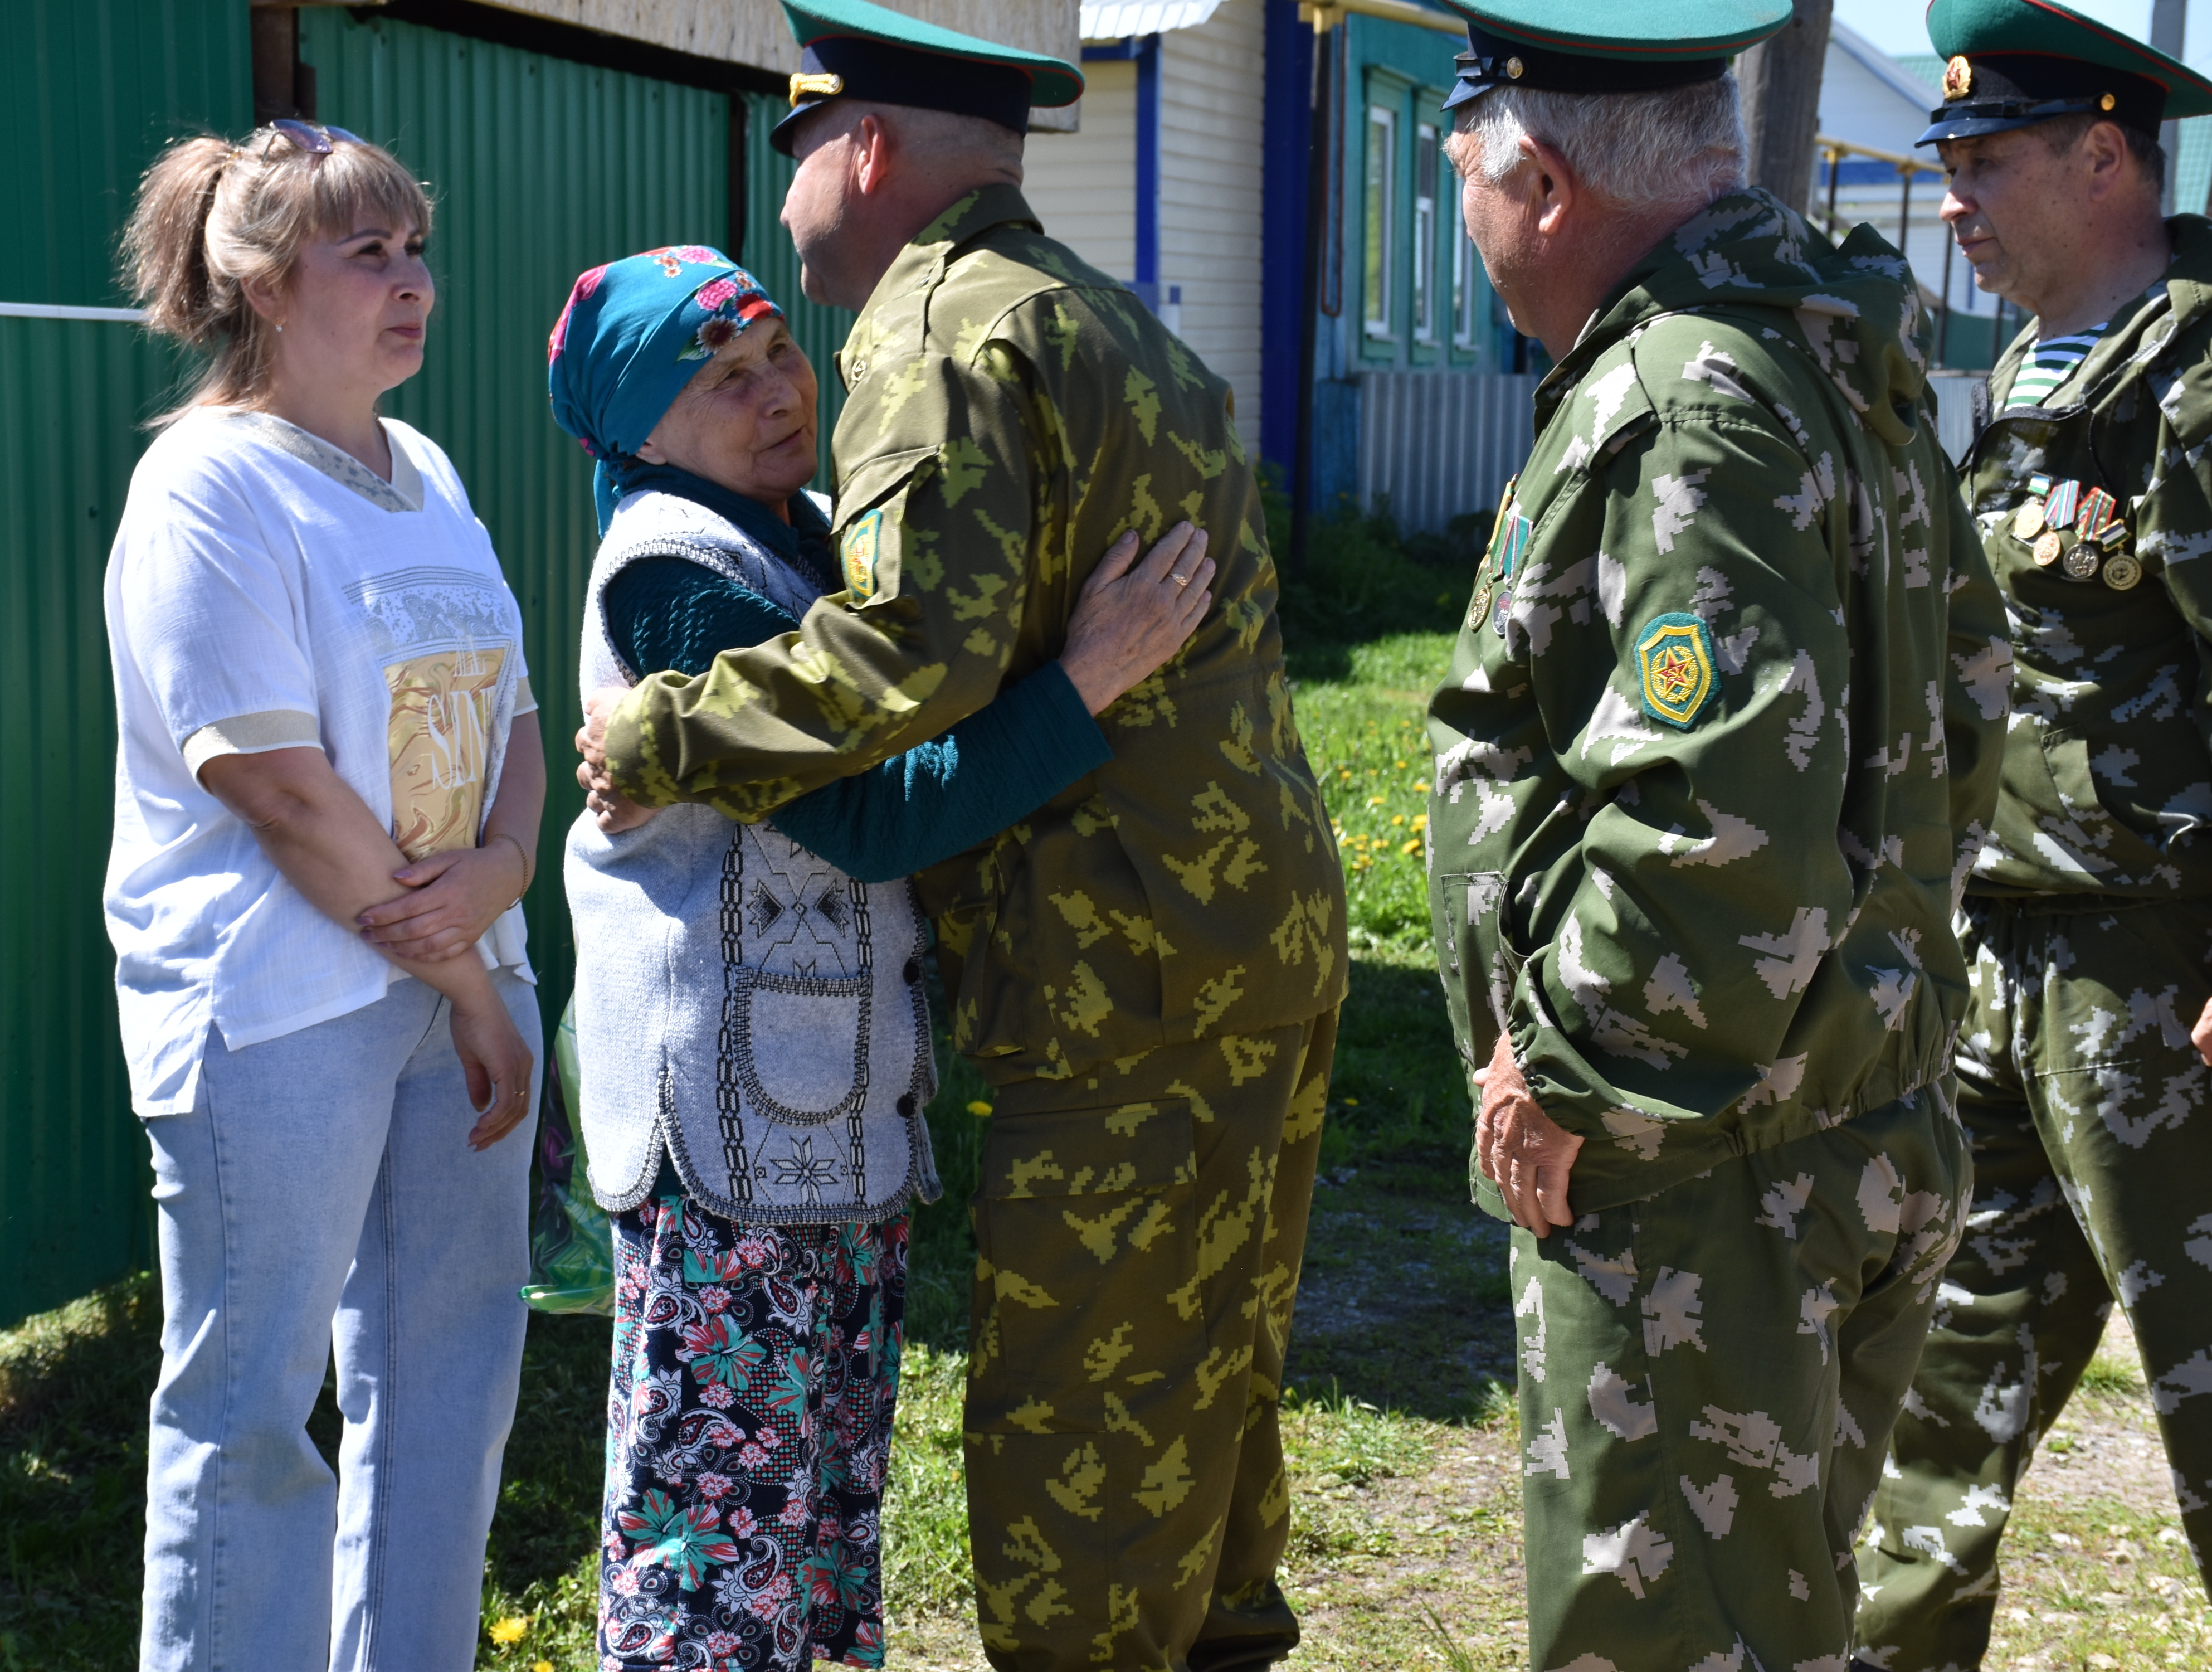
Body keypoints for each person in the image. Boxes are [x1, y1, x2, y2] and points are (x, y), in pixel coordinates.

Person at [573, 4, 1348, 1665]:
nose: (787, 219)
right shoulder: (1109, 322)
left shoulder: (946, 336)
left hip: (1120, 975)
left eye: (796, 161)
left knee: (1087, 1464)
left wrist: (661, 728)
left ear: (860, 152)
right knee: (1213, 1407)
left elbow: (913, 653)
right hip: (1254, 942)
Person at [1419, 3, 2015, 1666]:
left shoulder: (1688, 391)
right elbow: (1970, 694)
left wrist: (1569, 1074)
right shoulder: (1828, 342)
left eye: (1465, 180)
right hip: (1839, 1117)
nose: (1466, 225)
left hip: (1704, 1182)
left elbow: (1711, 820)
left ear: (1539, 180)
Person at [545, 245, 1212, 1671]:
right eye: (719, 380)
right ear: (639, 433)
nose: (776, 391)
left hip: (828, 1122)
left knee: (816, 1523)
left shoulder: (811, 531)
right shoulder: (676, 565)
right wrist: (1085, 681)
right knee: (713, 1542)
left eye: (780, 350)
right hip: (723, 1137)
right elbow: (864, 818)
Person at [1851, 4, 2212, 1666]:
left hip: (2153, 972)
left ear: (2103, 152)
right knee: (1950, 1351)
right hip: (2003, 949)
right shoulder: (2038, 368)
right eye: (1948, 165)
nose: (1954, 198)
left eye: (1988, 161)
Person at [105, 122, 543, 1670]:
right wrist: (479, 982)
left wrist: (502, 872)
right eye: (370, 252)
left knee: (446, 1387)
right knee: (250, 1414)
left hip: (457, 982)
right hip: (281, 1010)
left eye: (417, 247)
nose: (413, 281)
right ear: (266, 283)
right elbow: (281, 790)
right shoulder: (205, 489)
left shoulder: (424, 469)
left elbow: (521, 723)